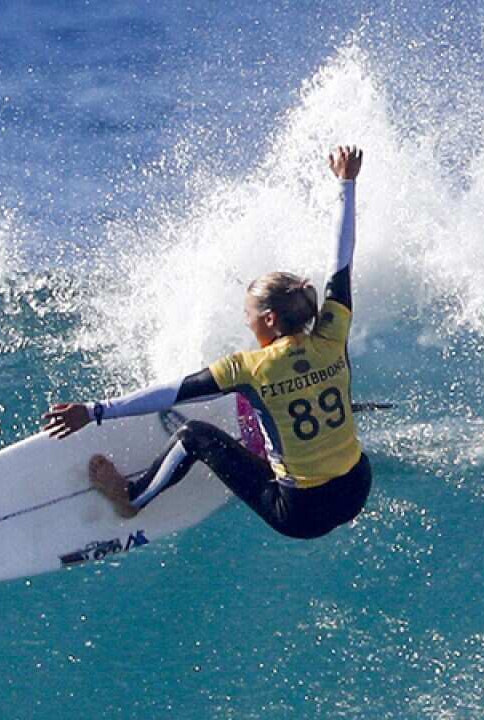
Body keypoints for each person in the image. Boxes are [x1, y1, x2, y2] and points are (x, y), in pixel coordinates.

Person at [41, 145, 370, 539]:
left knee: (193, 435)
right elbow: (341, 261)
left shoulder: (250, 369)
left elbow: (173, 393)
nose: (244, 319)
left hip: (301, 514)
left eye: (248, 312)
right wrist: (346, 183)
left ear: (269, 319)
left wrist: (95, 411)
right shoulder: (332, 332)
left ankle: (133, 497)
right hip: (355, 488)